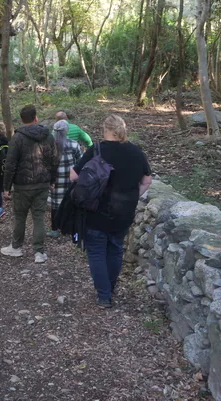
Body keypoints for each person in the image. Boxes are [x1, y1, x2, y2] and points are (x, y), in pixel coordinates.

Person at [70, 114, 152, 308]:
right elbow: (147, 180)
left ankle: (104, 295)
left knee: (97, 252)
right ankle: (110, 288)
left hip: (96, 210)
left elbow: (74, 175)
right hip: (124, 212)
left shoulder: (96, 150)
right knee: (115, 250)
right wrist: (134, 196)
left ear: (105, 130)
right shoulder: (136, 152)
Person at [1, 105, 58, 263]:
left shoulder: (17, 138)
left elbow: (10, 164)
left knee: (20, 217)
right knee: (38, 217)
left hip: (22, 185)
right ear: (36, 117)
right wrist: (52, 180)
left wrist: (6, 187)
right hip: (42, 184)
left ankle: (16, 247)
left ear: (21, 119)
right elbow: (54, 160)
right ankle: (39, 252)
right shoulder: (48, 136)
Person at [48, 120, 81, 238]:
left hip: (55, 181)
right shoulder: (74, 144)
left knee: (55, 206)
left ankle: (54, 229)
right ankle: (69, 229)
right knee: (69, 204)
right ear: (66, 131)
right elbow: (80, 162)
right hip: (70, 181)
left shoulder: (49, 146)